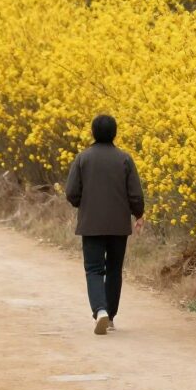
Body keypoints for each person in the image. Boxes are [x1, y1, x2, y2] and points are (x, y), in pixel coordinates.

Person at [64, 115, 145, 335]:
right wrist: (138, 214)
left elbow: (71, 192)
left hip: (91, 224)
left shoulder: (83, 158)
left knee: (94, 269)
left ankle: (100, 310)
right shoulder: (125, 159)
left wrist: (83, 204)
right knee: (114, 270)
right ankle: (110, 317)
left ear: (93, 132)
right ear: (114, 133)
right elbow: (135, 194)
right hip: (119, 225)